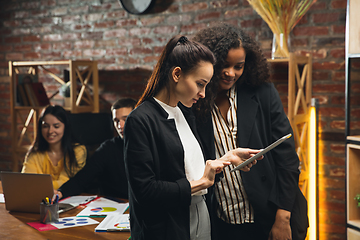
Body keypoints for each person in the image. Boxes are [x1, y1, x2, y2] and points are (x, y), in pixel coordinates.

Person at [124, 35, 263, 240]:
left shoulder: (186, 112)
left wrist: (227, 158)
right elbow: (144, 191)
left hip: (199, 215)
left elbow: (195, 171)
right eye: (200, 84)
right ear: (177, 74)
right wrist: (200, 185)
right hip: (165, 227)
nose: (203, 93)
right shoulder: (140, 120)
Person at [192, 23, 309, 240]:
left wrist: (282, 218)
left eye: (239, 66)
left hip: (270, 215)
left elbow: (287, 159)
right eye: (224, 65)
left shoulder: (263, 92)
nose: (230, 73)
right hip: (223, 221)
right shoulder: (196, 101)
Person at [55, 98, 137, 200]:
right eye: (116, 121)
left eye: (125, 119)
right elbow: (83, 177)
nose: (120, 126)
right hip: (114, 207)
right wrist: (61, 192)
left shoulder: (152, 146)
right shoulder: (108, 148)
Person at [21, 105, 87, 190]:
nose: (50, 131)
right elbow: (26, 181)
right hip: (39, 199)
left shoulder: (78, 151)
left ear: (65, 127)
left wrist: (37, 186)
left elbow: (66, 182)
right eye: (45, 126)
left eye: (56, 126)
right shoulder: (35, 153)